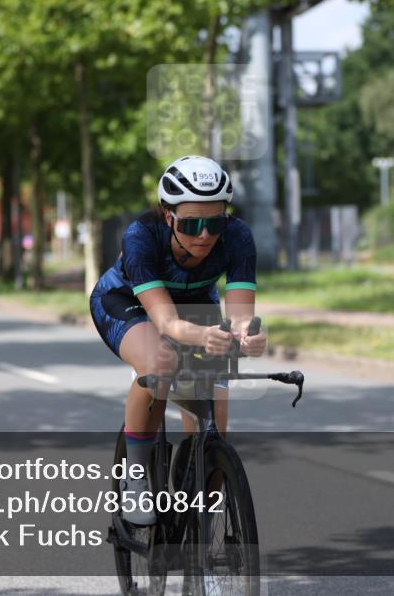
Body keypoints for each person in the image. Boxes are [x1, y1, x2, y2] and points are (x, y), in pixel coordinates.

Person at [89, 156, 267, 525]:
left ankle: (199, 533)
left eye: (214, 222)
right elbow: (166, 322)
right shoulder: (141, 235)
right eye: (191, 224)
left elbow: (240, 315)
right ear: (168, 215)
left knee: (212, 428)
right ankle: (135, 478)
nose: (204, 235)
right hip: (129, 301)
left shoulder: (237, 236)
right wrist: (205, 335)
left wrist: (247, 335)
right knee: (160, 363)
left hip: (194, 302)